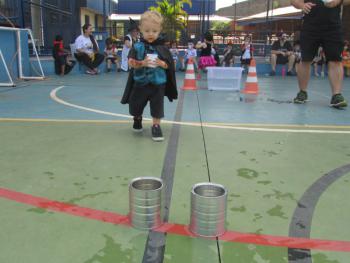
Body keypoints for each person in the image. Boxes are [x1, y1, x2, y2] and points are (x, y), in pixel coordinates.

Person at [120, 10, 178, 142]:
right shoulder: (137, 47)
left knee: (157, 106)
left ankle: (156, 126)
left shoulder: (163, 48)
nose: (150, 34)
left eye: (154, 31)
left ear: (160, 30)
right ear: (140, 29)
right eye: (147, 31)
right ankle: (137, 118)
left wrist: (161, 63)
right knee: (136, 106)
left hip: (158, 84)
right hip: (140, 83)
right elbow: (130, 63)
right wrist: (142, 63)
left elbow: (169, 65)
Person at [292, 0, 348, 108]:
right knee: (305, 60)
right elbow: (294, 1)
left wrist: (338, 1)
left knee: (335, 60)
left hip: (333, 26)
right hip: (310, 26)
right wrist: (302, 5)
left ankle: (336, 95)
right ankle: (302, 92)